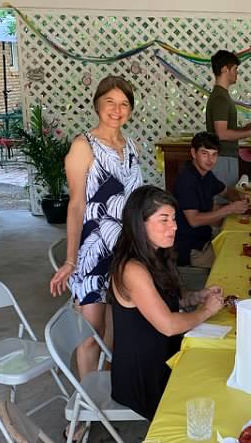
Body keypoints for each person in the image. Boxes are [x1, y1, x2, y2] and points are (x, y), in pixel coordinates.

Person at [49, 75, 142, 377]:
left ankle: (108, 388)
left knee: (115, 328)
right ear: (97, 105)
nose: (117, 110)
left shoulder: (131, 146)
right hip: (93, 251)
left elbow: (135, 202)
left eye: (124, 104)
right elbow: (76, 206)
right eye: (109, 102)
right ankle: (84, 401)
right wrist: (70, 260)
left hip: (125, 252)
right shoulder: (83, 146)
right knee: (91, 334)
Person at [109, 186, 225, 420]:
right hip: (144, 375)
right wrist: (205, 311)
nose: (174, 226)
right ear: (139, 223)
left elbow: (166, 300)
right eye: (164, 220)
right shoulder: (132, 269)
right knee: (212, 399)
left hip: (165, 354)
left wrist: (195, 297)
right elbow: (169, 325)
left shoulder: (155, 254)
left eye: (173, 219)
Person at [173, 131, 249, 267]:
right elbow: (194, 220)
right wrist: (229, 209)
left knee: (242, 245)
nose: (210, 160)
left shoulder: (206, 175)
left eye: (214, 154)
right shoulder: (186, 180)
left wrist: (240, 195)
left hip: (205, 239)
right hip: (191, 248)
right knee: (238, 260)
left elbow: (226, 192)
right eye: (205, 153)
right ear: (193, 153)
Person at [205, 50, 251, 187]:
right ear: (225, 69)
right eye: (235, 69)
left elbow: (225, 130)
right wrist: (249, 133)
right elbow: (222, 134)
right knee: (225, 197)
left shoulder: (221, 95)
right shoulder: (220, 98)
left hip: (224, 156)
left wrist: (243, 129)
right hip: (223, 157)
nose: (237, 73)